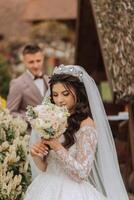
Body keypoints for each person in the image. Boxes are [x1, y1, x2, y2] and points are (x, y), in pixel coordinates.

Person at [24, 65, 129, 200]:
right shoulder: (52, 120)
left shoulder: (87, 125)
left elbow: (82, 173)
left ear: (78, 93)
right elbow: (45, 167)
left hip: (72, 192)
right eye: (55, 95)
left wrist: (57, 147)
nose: (59, 100)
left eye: (65, 94)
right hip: (46, 188)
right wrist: (36, 155)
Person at [7, 43, 49, 120]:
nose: (36, 65)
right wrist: (33, 119)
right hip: (30, 131)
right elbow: (10, 112)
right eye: (31, 62)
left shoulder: (49, 80)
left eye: (38, 61)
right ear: (24, 62)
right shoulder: (17, 84)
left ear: (43, 59)